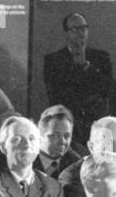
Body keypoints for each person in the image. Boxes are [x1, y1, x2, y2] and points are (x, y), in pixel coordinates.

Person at [42, 13, 112, 141]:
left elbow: (106, 91)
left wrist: (85, 66)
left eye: (83, 28)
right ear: (66, 33)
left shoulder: (102, 57)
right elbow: (55, 95)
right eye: (74, 29)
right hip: (67, 125)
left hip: (96, 125)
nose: (80, 33)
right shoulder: (53, 60)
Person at [34, 105, 82, 180]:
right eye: (56, 135)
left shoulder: (77, 165)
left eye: (66, 136)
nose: (62, 141)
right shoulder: (25, 159)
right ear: (39, 135)